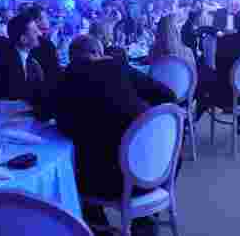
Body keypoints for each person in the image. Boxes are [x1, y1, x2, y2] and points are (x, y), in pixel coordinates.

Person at [50, 35, 166, 236]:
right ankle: (143, 219)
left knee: (70, 168)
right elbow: (167, 95)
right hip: (156, 171)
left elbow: (59, 123)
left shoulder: (66, 77)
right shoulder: (120, 67)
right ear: (99, 53)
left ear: (71, 58)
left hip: (108, 183)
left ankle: (96, 225)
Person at [0, 14, 46, 106]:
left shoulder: (30, 61)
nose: (39, 34)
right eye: (34, 31)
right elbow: (12, 99)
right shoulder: (7, 65)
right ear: (23, 39)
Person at [24, 5, 62, 86]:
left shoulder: (27, 40)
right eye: (46, 18)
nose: (48, 21)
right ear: (37, 21)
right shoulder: (45, 44)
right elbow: (55, 73)